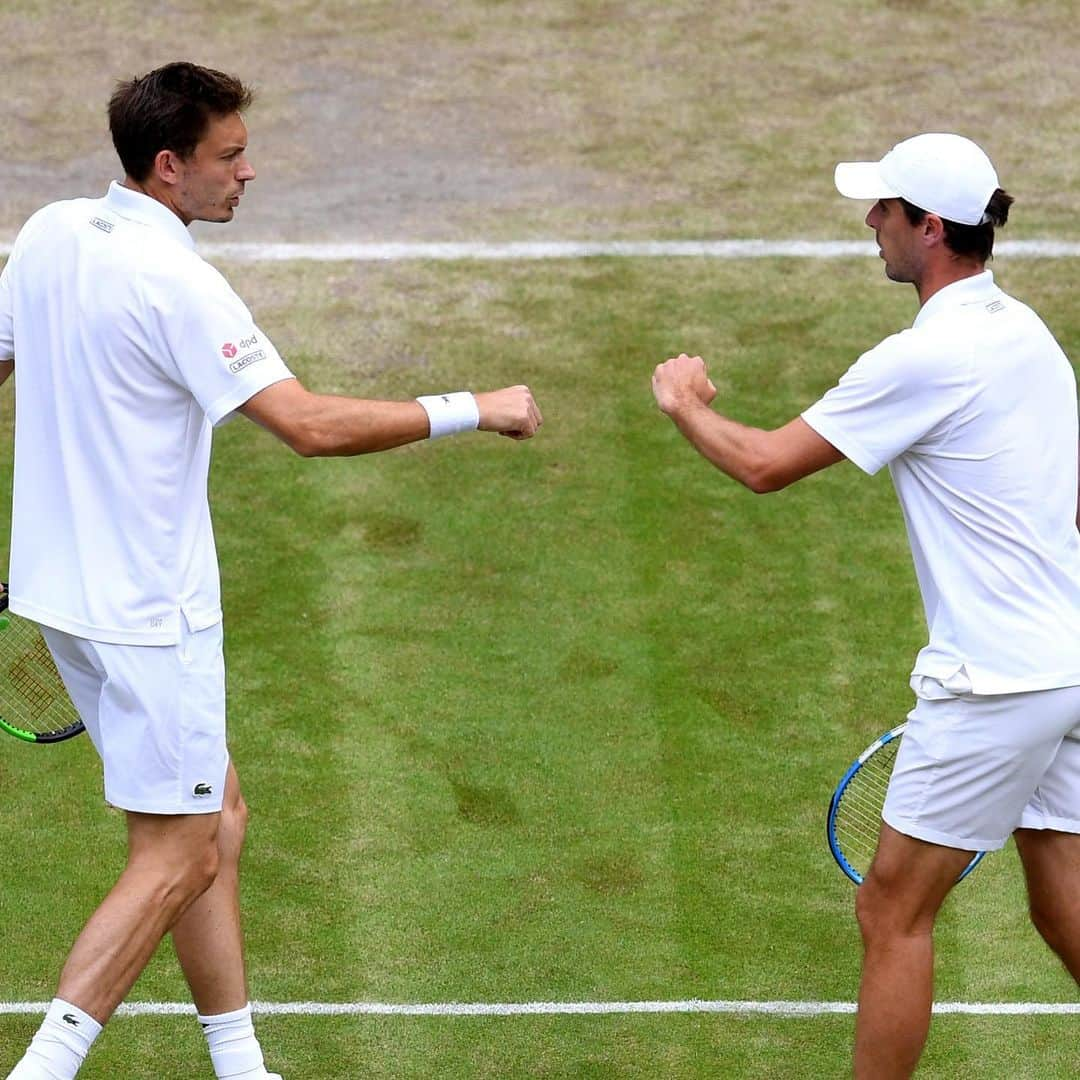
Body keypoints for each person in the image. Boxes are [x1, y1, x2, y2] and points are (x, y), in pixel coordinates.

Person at [0, 61, 541, 1080]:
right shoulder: (177, 281)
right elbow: (307, 425)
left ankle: (241, 1066)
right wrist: (476, 406)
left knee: (218, 815)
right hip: (149, 613)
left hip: (60, 599)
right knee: (178, 853)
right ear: (169, 168)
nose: (249, 174)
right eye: (230, 156)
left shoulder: (53, 233)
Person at [652, 132, 1080, 1078]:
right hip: (1069, 671)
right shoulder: (1028, 335)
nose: (870, 223)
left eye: (884, 210)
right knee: (1064, 899)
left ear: (929, 229)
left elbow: (764, 464)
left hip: (997, 683)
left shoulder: (924, 358)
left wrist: (684, 401)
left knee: (893, 911)